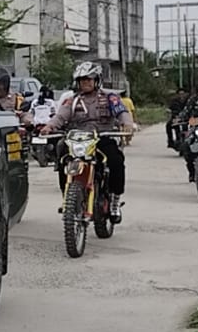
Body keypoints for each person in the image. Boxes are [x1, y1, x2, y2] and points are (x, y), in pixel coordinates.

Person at [49, 61, 136, 217]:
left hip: (102, 137)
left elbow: (122, 113)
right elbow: (60, 116)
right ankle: (67, 197)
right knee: (62, 154)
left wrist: (128, 124)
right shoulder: (72, 100)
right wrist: (49, 127)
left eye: (89, 79)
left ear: (97, 80)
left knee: (116, 160)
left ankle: (115, 200)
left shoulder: (110, 97)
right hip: (77, 139)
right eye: (82, 80)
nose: (85, 83)